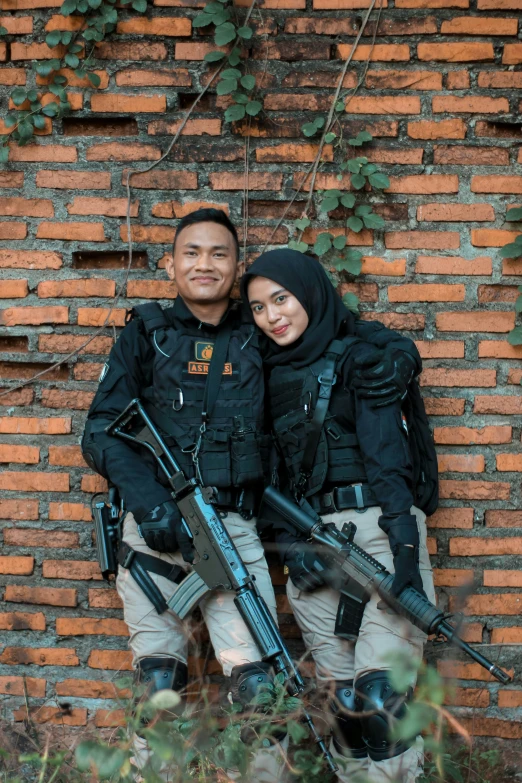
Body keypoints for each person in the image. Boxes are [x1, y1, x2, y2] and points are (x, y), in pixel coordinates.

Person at [82, 209, 288, 782]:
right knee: (160, 684)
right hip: (152, 532)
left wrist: (382, 347)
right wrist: (148, 501)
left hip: (231, 530)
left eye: (219, 254)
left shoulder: (258, 332)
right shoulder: (146, 331)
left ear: (235, 266)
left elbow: (321, 333)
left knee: (258, 683)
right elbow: (100, 430)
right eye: (192, 253)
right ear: (170, 264)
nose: (205, 264)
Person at [242, 248, 436, 783]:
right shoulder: (261, 373)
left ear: (310, 293)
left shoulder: (362, 358)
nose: (272, 316)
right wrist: (289, 541)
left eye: (281, 299)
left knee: (380, 698)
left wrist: (404, 555)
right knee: (345, 707)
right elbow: (267, 474)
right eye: (258, 307)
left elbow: (389, 465)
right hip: (311, 551)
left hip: (376, 536)